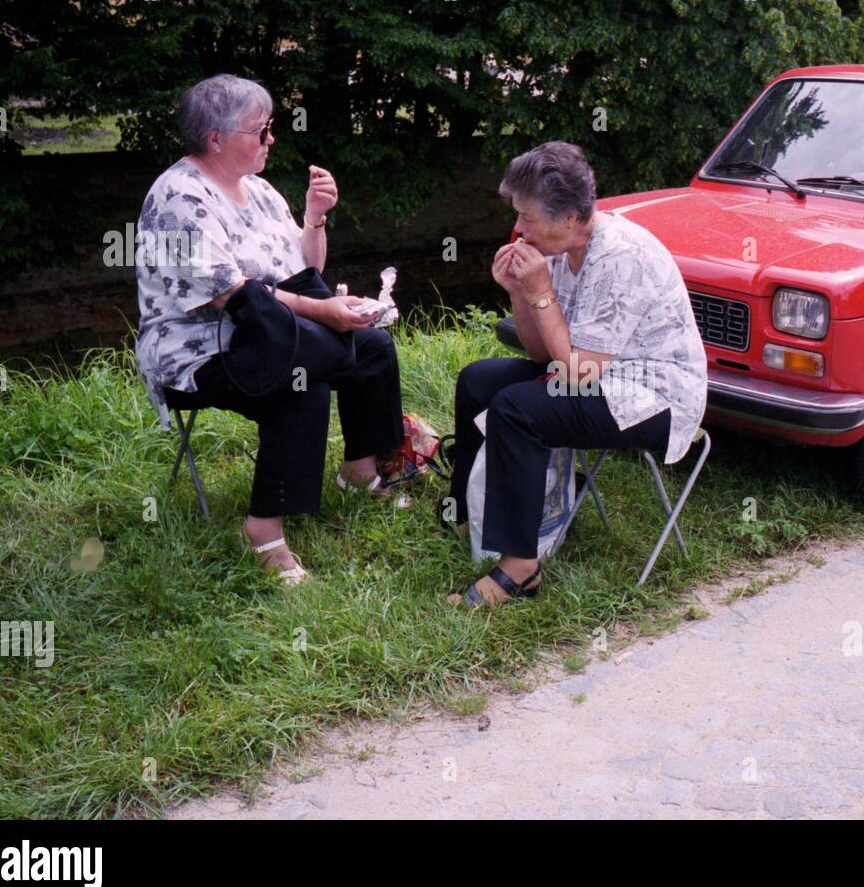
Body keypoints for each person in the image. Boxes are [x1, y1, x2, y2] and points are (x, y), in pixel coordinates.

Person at [135, 74, 404, 584]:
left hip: (268, 330)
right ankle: (264, 530)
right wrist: (324, 313)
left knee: (371, 344)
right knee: (301, 381)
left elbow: (306, 272)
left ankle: (359, 471)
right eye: (261, 131)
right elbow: (231, 293)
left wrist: (316, 219)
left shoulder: (258, 190)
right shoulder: (178, 198)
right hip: (198, 349)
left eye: (271, 127)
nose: (271, 139)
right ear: (216, 139)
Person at [447, 141, 707, 608]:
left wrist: (541, 288)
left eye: (527, 217)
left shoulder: (618, 255)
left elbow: (579, 373)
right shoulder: (557, 245)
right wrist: (520, 293)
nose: (519, 228)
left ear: (569, 216)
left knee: (517, 409)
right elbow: (543, 353)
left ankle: (520, 569)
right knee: (478, 381)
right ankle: (469, 516)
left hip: (654, 394)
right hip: (597, 374)